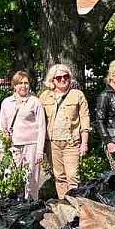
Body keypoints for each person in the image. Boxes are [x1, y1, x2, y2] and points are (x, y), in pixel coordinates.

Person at [39, 63, 91, 198]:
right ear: (52, 80)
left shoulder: (77, 95)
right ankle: (64, 205)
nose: (63, 80)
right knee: (59, 177)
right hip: (52, 143)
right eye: (59, 78)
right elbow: (37, 119)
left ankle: (75, 206)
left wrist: (84, 142)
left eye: (66, 76)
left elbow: (85, 119)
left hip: (71, 142)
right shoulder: (45, 96)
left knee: (73, 176)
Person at [0, 71, 46, 200]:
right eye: (20, 83)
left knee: (31, 180)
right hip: (13, 146)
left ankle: (31, 205)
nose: (23, 86)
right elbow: (2, 128)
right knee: (10, 177)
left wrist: (39, 151)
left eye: (26, 83)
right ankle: (12, 205)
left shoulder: (35, 102)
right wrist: (2, 150)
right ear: (14, 85)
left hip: (32, 145)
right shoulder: (6, 103)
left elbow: (42, 127)